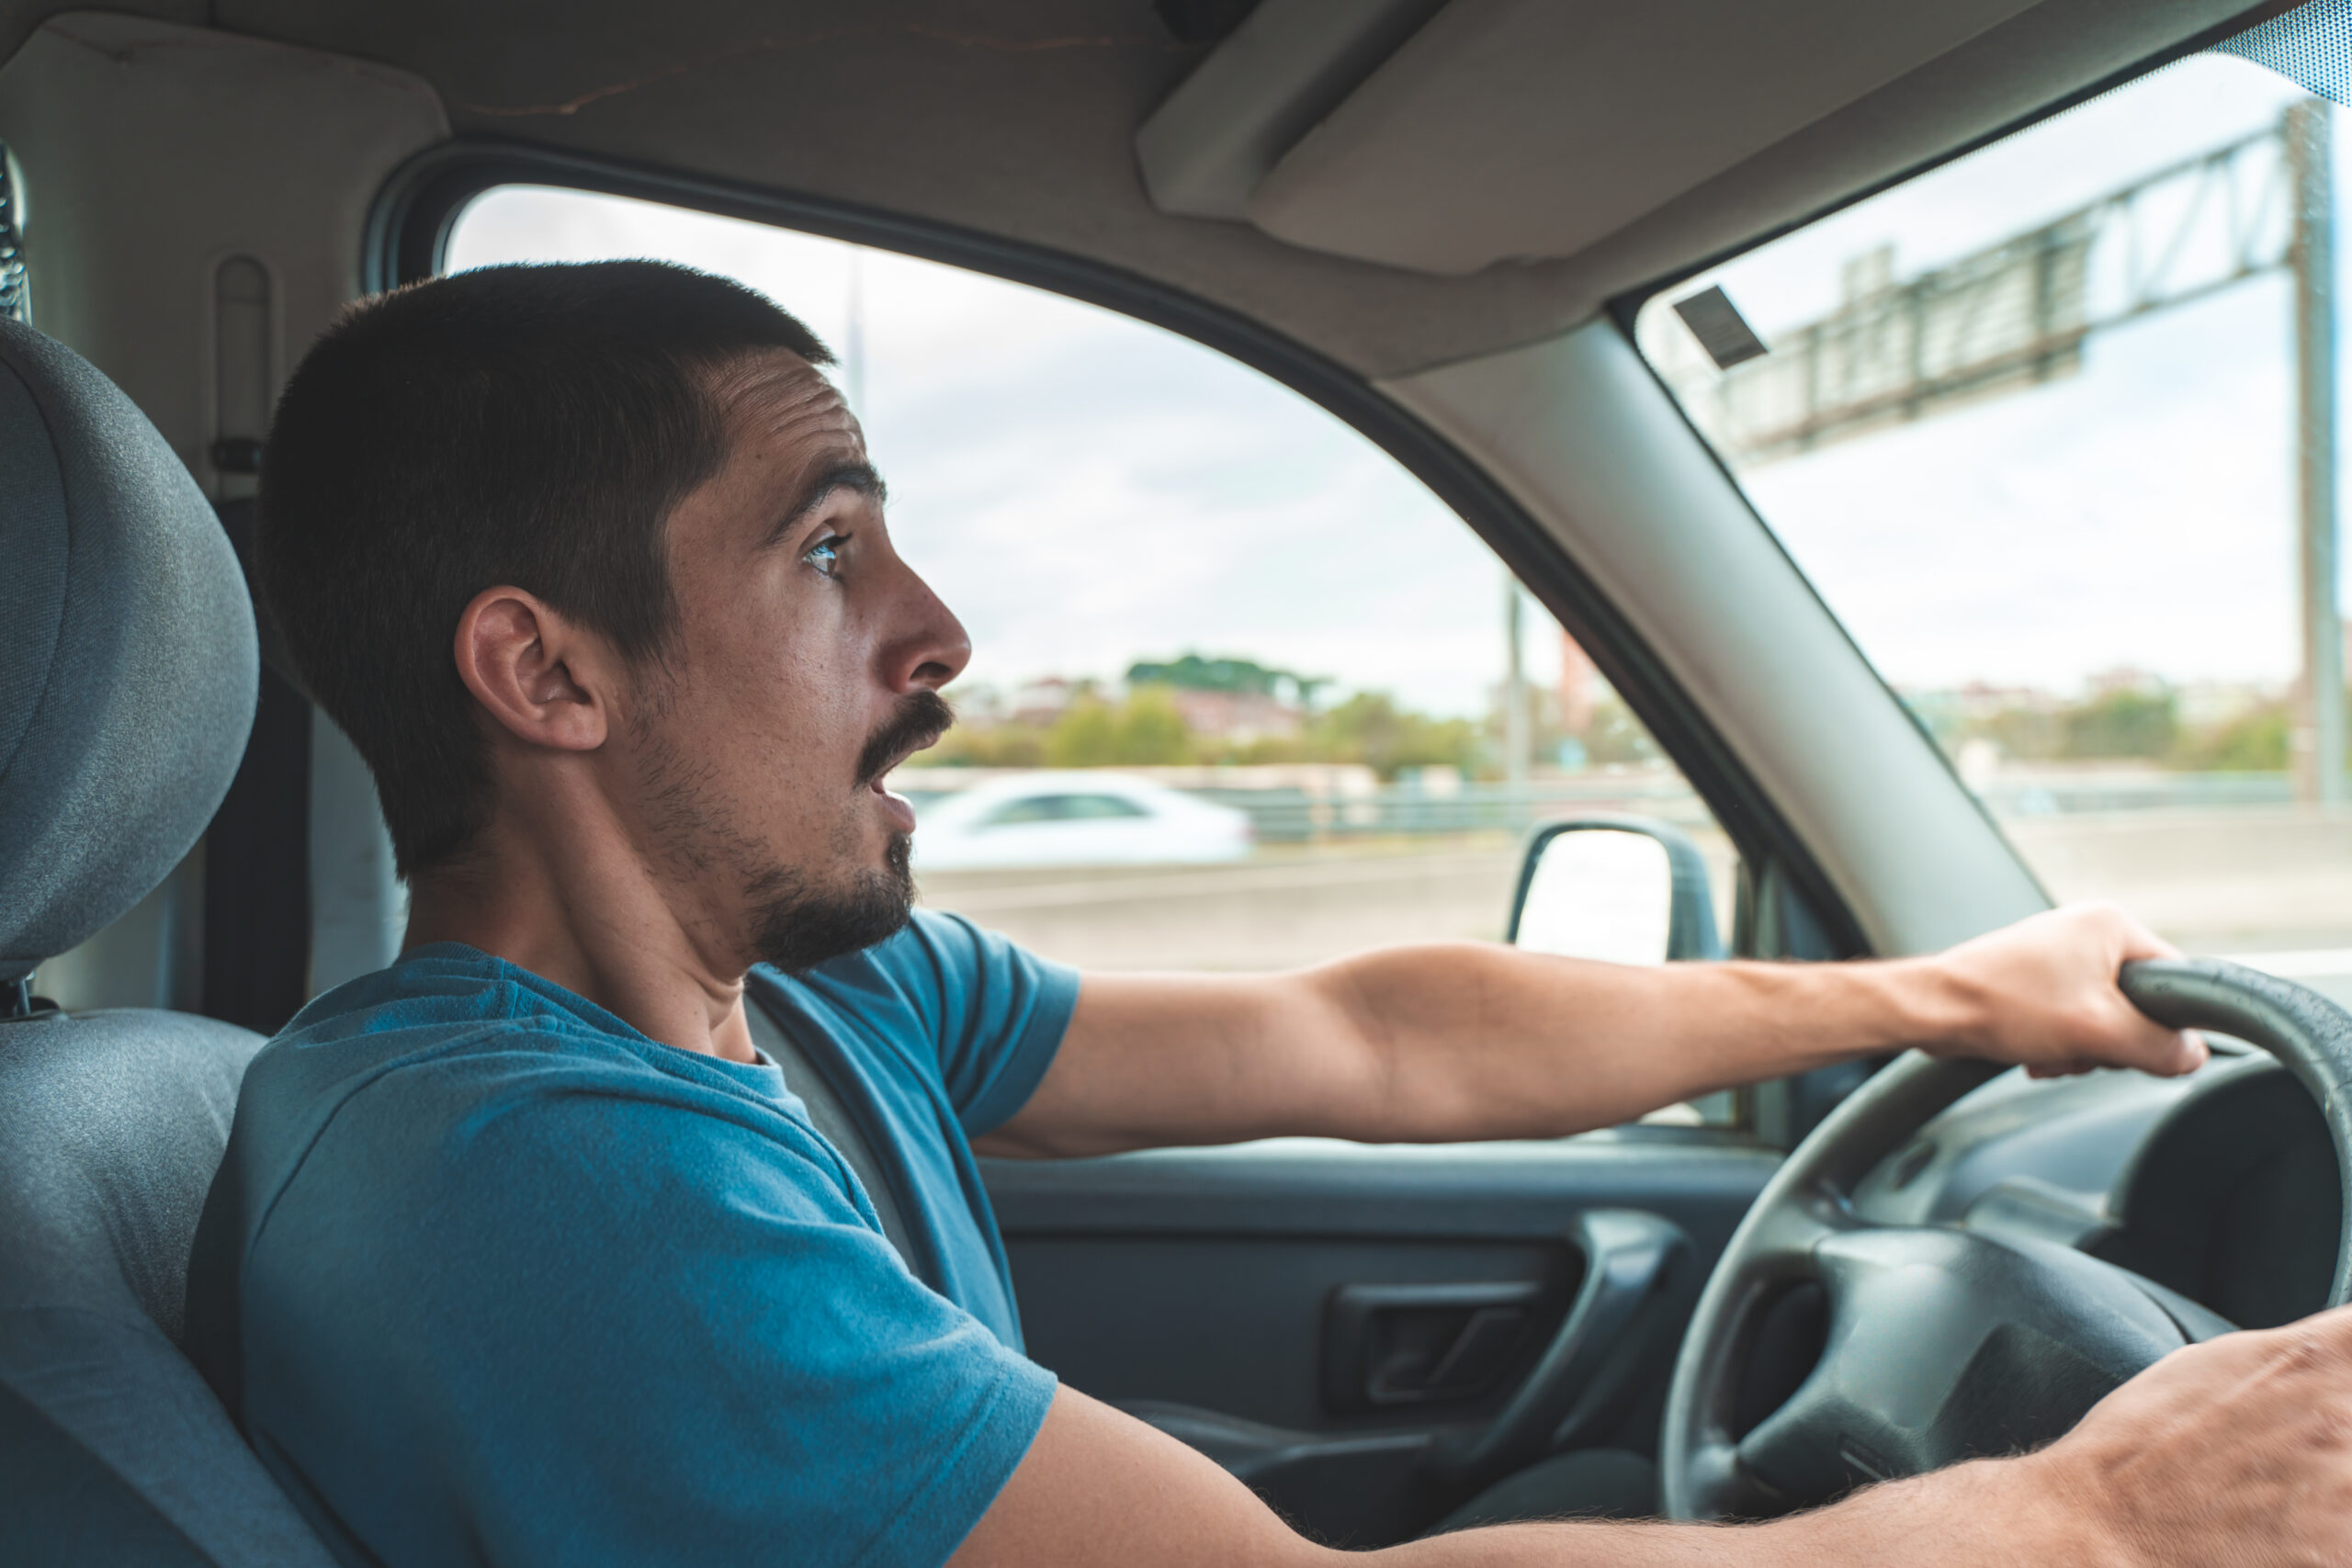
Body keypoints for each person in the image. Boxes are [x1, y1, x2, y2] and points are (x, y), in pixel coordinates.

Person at [187, 259, 2352, 1568]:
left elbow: (1366, 1038)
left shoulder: (802, 993)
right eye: (831, 549)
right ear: (546, 671)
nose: (939, 629)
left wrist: (1943, 991)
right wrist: (2111, 1510)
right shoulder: (549, 1182)